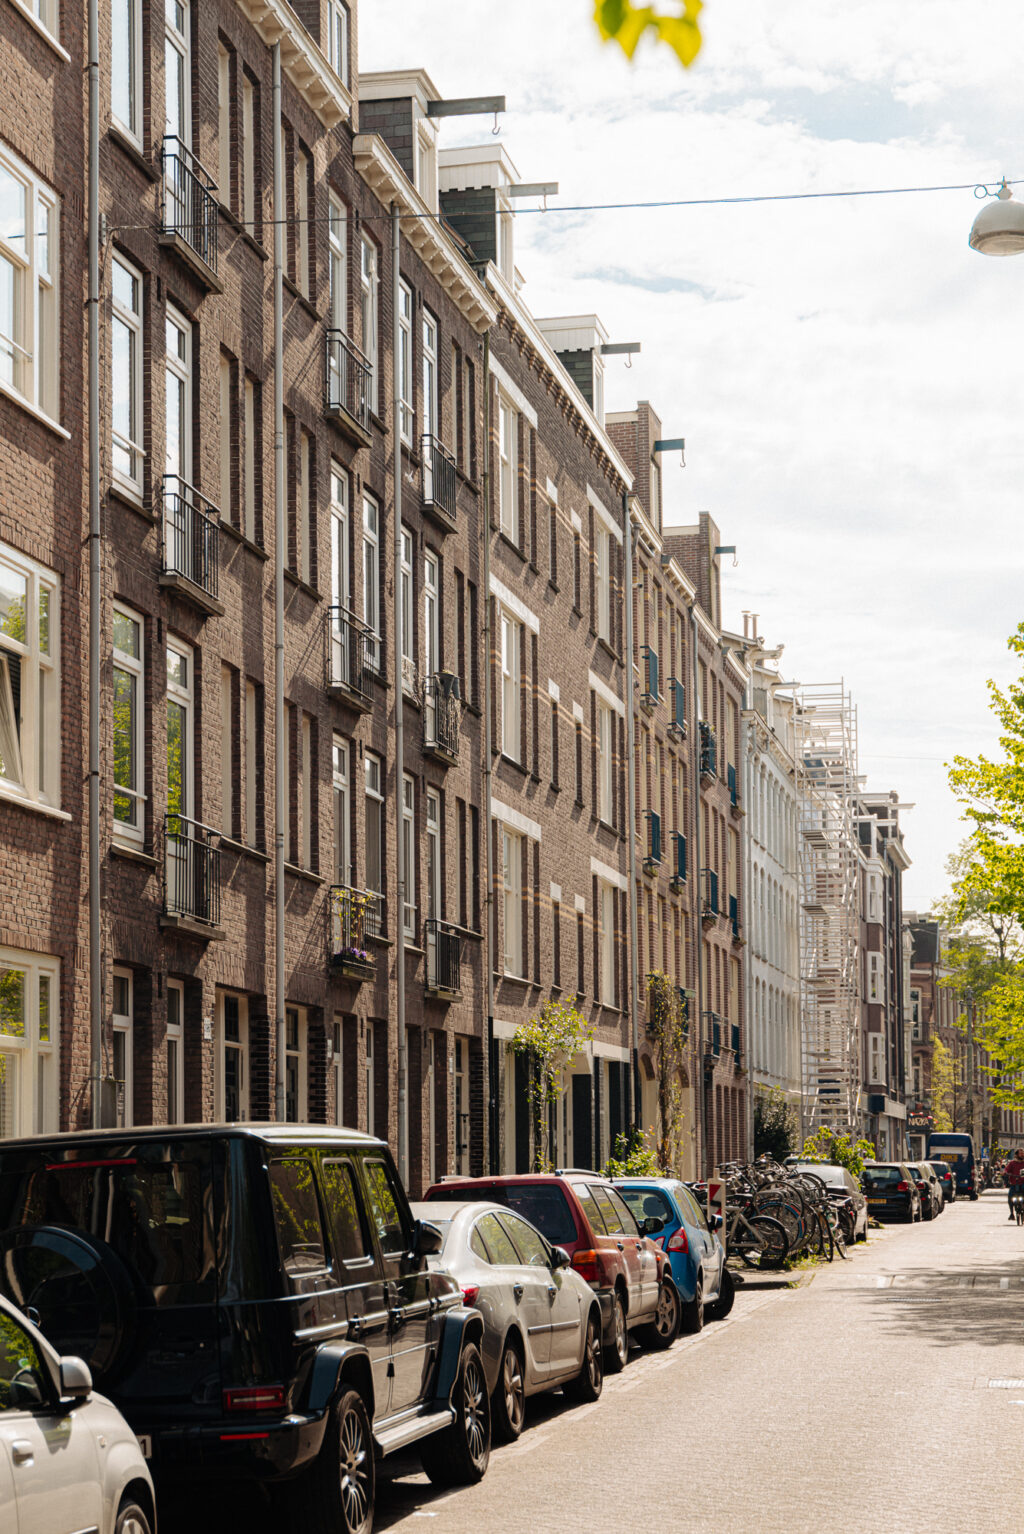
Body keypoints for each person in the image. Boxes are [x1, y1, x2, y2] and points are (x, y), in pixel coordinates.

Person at [1005, 1149, 1024, 1218]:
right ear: (1017, 1155)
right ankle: (1011, 1213)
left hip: (1023, 1183)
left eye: (1023, 1153)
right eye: (1020, 1153)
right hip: (1014, 1184)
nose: (1022, 1155)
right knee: (1010, 1197)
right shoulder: (1012, 1163)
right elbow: (1007, 1170)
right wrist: (1005, 1172)